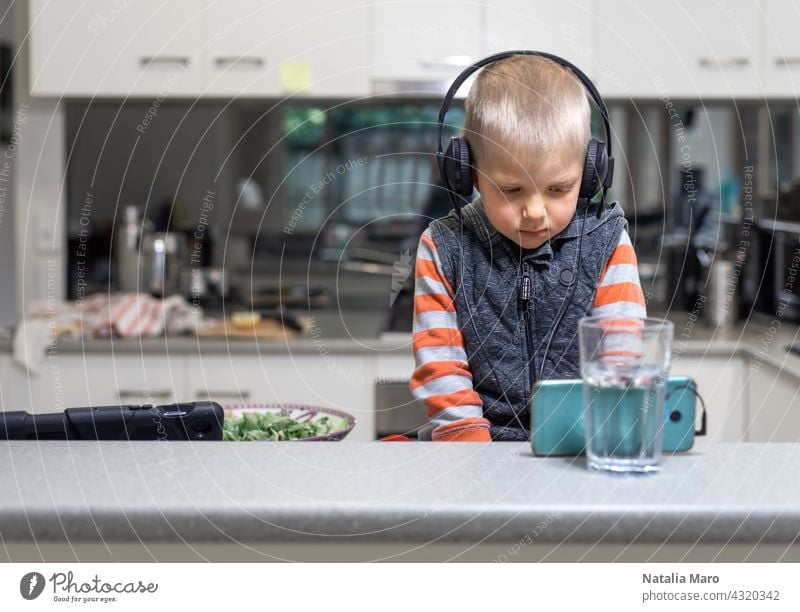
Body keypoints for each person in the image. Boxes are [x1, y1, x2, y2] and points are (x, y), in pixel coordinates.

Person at [410, 53, 647, 442]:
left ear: (590, 174)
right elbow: (442, 364)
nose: (535, 212)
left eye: (558, 189)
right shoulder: (443, 246)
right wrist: (472, 452)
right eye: (511, 189)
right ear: (468, 174)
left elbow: (618, 353)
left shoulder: (607, 241)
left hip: (578, 442)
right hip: (474, 444)